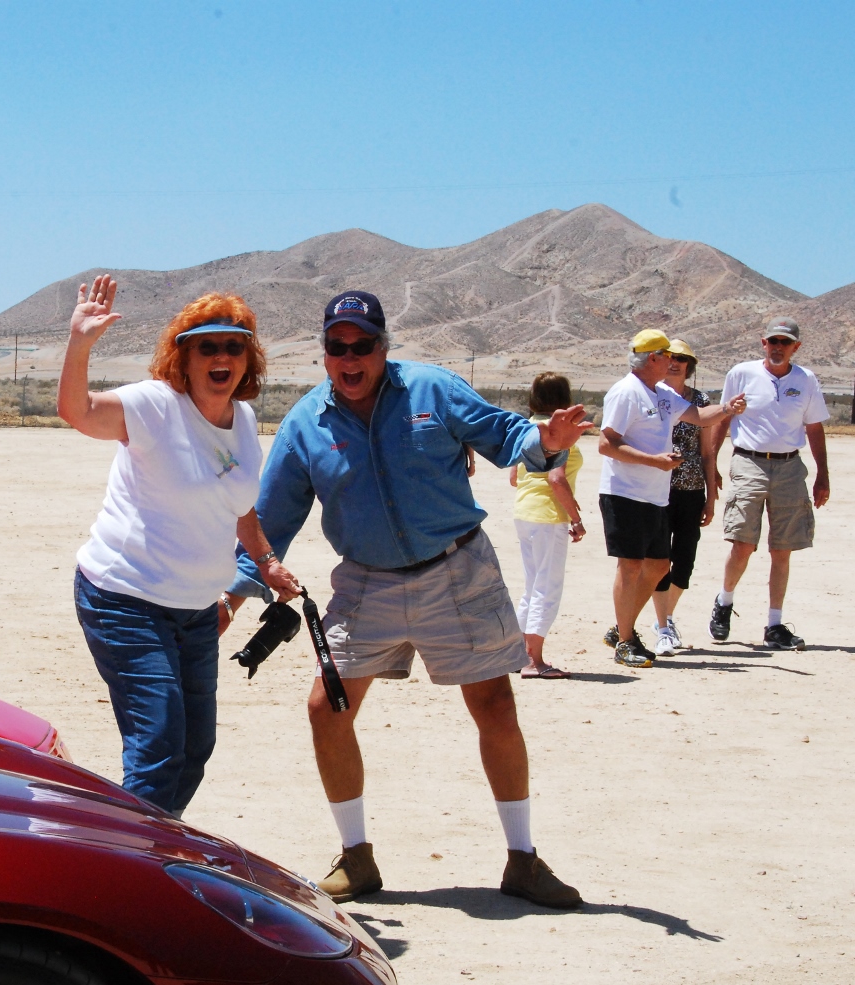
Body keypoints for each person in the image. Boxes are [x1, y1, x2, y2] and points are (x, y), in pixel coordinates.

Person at [226, 290, 590, 910]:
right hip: (366, 582)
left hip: (459, 569)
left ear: (382, 348)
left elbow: (504, 435)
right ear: (324, 355)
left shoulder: (432, 390)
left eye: (362, 345)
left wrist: (547, 443)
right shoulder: (306, 423)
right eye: (337, 347)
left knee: (495, 706)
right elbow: (272, 515)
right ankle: (356, 859)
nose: (350, 357)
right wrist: (236, 593)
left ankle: (523, 861)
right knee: (326, 709)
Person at [58, 274, 300, 816]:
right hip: (124, 600)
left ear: (248, 359)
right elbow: (78, 412)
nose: (222, 356)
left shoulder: (242, 419)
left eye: (233, 347)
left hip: (196, 612)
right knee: (159, 742)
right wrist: (80, 343)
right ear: (183, 358)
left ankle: (155, 848)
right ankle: (126, 871)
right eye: (206, 346)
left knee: (194, 749)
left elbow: (239, 505)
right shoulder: (153, 406)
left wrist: (266, 562)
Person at [598, 329, 746, 668]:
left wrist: (727, 408)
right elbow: (606, 444)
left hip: (656, 495)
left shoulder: (663, 393)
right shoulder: (626, 393)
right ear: (653, 358)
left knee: (658, 566)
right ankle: (625, 642)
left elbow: (697, 417)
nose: (674, 361)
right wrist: (654, 461)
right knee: (631, 565)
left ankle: (624, 629)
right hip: (625, 493)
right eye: (669, 355)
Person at [708, 316, 829, 650]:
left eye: (785, 343)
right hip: (749, 461)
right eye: (772, 341)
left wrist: (823, 475)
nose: (778, 348)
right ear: (763, 343)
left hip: (790, 467)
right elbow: (723, 417)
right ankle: (725, 602)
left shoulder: (806, 380)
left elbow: (815, 427)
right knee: (742, 543)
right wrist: (712, 463)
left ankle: (775, 625)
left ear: (795, 347)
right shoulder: (741, 374)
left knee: (783, 548)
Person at [508, 373, 585, 680]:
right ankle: (532, 659)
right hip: (548, 515)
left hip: (525, 511)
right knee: (547, 588)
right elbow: (556, 478)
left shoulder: (526, 428)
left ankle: (517, 653)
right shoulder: (560, 431)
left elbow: (514, 476)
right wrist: (576, 518)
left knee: (532, 585)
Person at [649, 339, 717, 656]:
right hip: (656, 486)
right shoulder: (652, 395)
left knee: (685, 558)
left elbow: (708, 452)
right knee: (658, 557)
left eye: (682, 358)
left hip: (690, 489)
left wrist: (711, 496)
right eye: (669, 357)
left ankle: (666, 616)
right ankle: (664, 624)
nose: (675, 362)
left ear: (690, 366)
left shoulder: (701, 402)